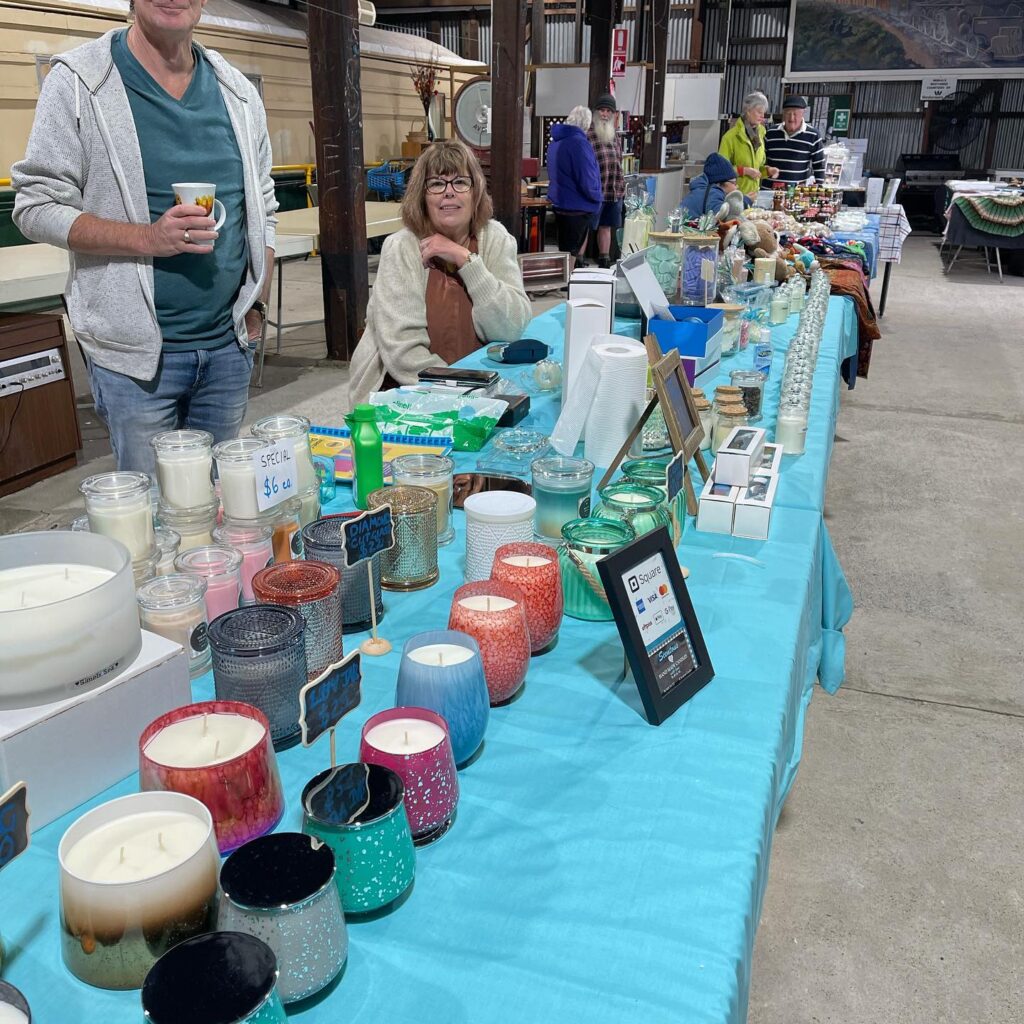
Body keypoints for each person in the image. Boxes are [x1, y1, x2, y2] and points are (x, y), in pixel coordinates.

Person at [11, 0, 277, 479]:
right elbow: (35, 207)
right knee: (151, 519)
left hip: (227, 349)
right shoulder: (79, 82)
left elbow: (263, 204)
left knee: (216, 513)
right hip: (134, 362)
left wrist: (257, 303)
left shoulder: (235, 91)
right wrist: (148, 238)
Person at [347, 139, 531, 407]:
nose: (449, 192)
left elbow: (512, 328)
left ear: (475, 191)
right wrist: (462, 392)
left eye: (460, 183)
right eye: (436, 184)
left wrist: (466, 260)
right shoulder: (401, 248)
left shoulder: (495, 238)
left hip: (479, 389)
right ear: (421, 196)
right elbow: (403, 352)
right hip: (407, 392)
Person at [546, 106, 602, 267]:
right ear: (586, 124)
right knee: (572, 252)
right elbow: (586, 177)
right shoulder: (579, 143)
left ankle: (565, 282)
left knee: (564, 249)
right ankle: (568, 284)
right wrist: (597, 196)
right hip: (577, 205)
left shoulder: (555, 143)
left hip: (560, 203)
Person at [587, 93, 626, 268]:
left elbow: (619, 160)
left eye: (608, 111)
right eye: (601, 110)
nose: (604, 114)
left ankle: (604, 261)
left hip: (614, 188)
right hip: (595, 188)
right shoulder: (588, 134)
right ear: (595, 113)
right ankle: (579, 262)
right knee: (587, 227)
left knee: (607, 226)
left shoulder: (616, 136)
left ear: (613, 114)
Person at [718, 91, 779, 197]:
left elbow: (757, 168)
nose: (762, 116)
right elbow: (721, 170)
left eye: (763, 112)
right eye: (759, 111)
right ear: (748, 111)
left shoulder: (760, 135)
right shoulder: (730, 137)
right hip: (734, 197)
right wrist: (744, 171)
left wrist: (768, 171)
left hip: (753, 196)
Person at [764, 95, 826, 186]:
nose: (791, 118)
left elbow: (819, 165)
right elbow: (761, 161)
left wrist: (819, 186)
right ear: (783, 114)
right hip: (769, 191)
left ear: (803, 114)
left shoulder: (813, 135)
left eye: (795, 114)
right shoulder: (770, 133)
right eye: (788, 114)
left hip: (796, 194)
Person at [680, 153, 743, 219]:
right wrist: (746, 200)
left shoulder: (703, 191)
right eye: (734, 183)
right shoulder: (714, 193)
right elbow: (725, 217)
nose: (737, 186)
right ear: (719, 184)